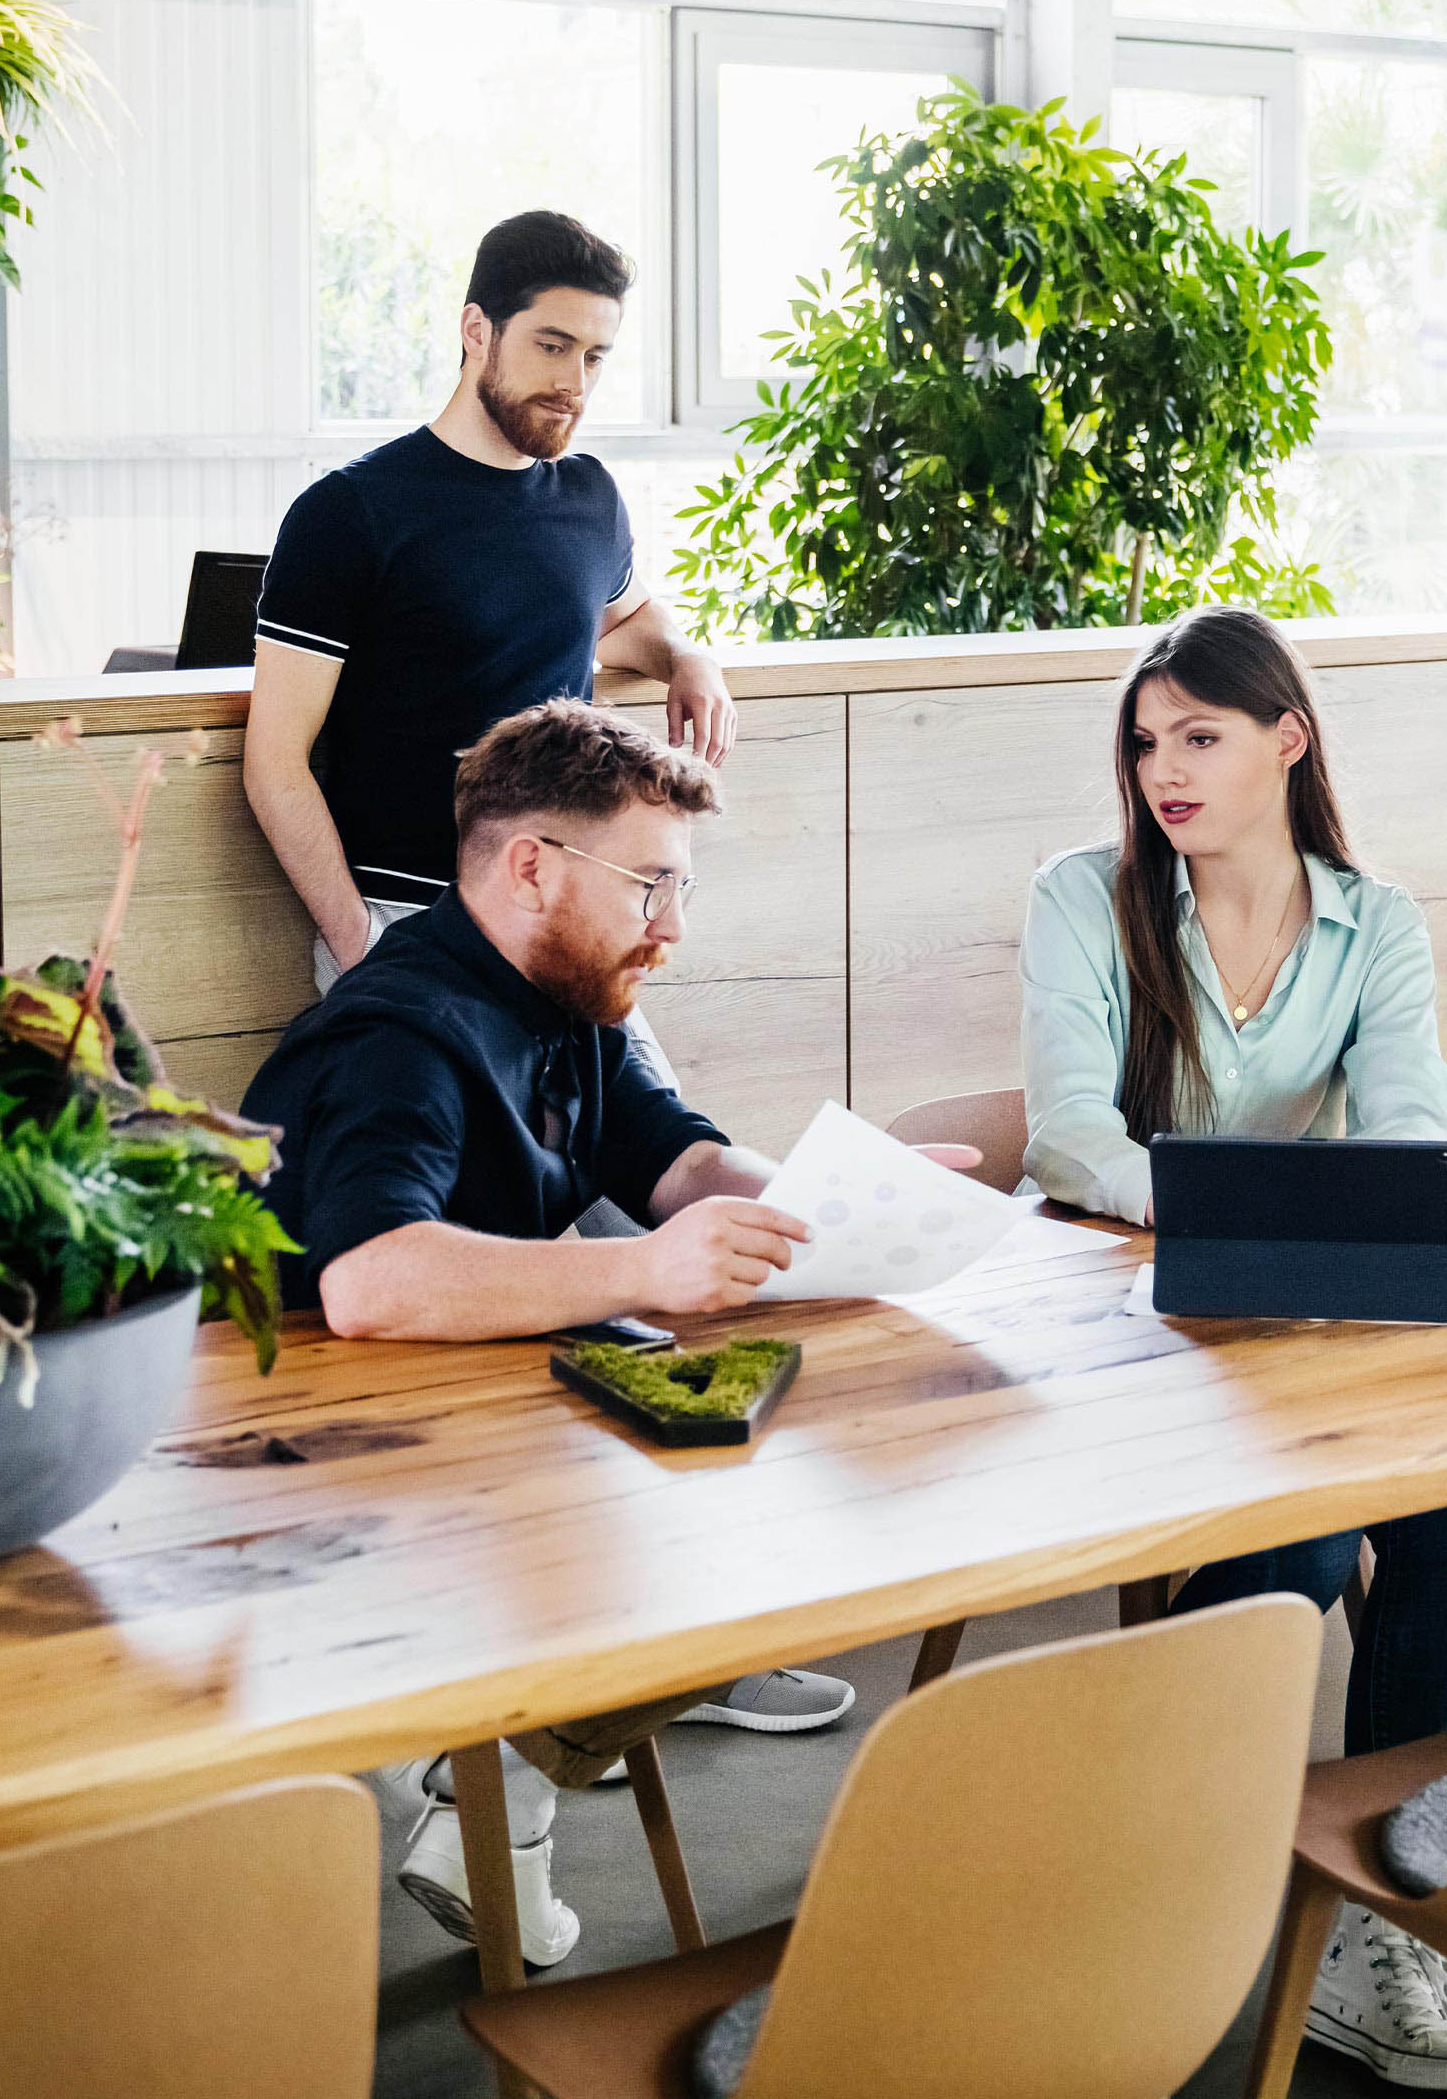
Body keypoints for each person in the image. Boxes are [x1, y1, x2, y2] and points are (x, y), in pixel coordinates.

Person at [247, 702, 953, 1963]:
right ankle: (489, 1781)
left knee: (755, 1469)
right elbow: (365, 1282)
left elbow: (675, 1160)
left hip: (475, 1409)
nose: (672, 927)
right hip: (318, 1453)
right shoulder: (395, 1033)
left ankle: (496, 1785)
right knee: (701, 1490)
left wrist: (843, 1200)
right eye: (651, 886)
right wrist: (646, 1267)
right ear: (533, 866)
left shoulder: (574, 997)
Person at [1017, 607, 1447, 2095]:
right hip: (1120, 1311)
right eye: (1149, 741)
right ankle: (1196, 1853)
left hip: (1296, 1303)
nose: (1165, 766)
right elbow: (1066, 1131)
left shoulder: (1377, 920)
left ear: (1287, 738)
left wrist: (1298, 1220)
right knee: (1301, 1550)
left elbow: (1414, 1123)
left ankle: (1372, 1901)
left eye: (1201, 736)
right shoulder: (1083, 898)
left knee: (1444, 1491)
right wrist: (1214, 1196)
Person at [243, 208, 740, 995]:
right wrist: (359, 946)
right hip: (410, 925)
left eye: (595, 356)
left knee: (653, 1119)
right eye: (551, 346)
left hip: (570, 919)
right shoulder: (349, 511)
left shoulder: (590, 497)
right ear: (478, 330)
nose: (574, 383)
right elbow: (274, 764)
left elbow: (621, 617)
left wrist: (687, 656)